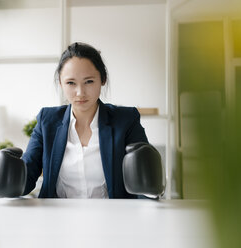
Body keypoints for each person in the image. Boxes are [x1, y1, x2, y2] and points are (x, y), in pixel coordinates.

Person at [22, 42, 148, 198]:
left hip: (112, 219)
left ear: (103, 79)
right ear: (60, 83)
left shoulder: (126, 120)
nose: (80, 93)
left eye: (89, 81)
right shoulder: (47, 120)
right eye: (71, 83)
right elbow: (26, 177)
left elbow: (145, 182)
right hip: (57, 219)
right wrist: (8, 174)